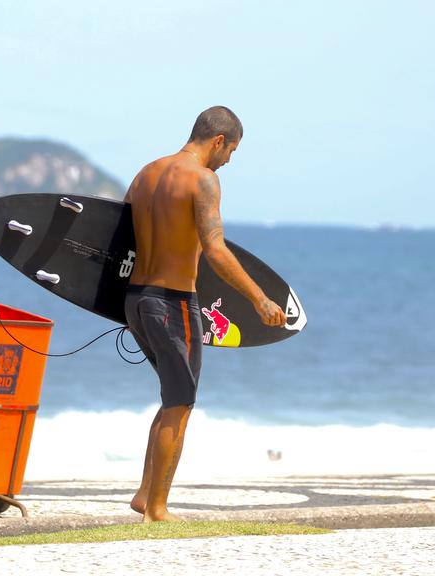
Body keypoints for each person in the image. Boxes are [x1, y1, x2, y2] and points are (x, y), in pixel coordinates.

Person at [124, 106, 287, 523]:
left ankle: (145, 495)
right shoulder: (204, 179)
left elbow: (119, 232)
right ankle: (158, 510)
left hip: (137, 299)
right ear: (218, 141)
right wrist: (259, 299)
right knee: (180, 401)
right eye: (232, 150)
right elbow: (215, 248)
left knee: (169, 396)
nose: (229, 159)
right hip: (174, 303)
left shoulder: (146, 173)